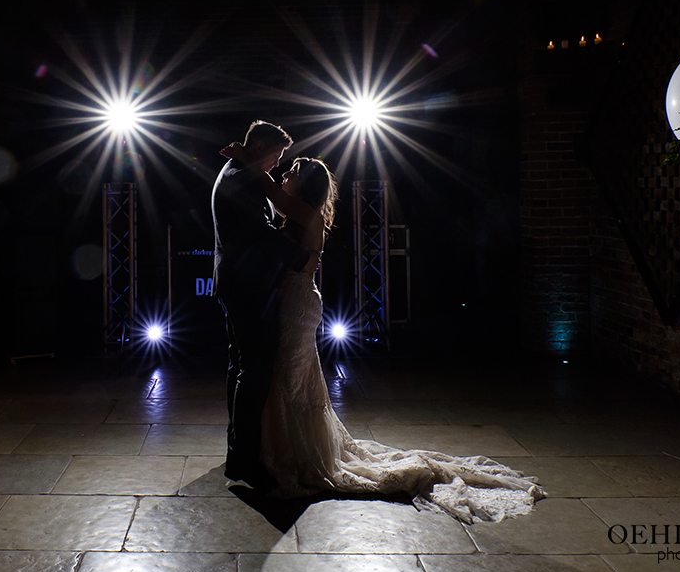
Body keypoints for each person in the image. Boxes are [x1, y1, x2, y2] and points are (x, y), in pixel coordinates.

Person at [219, 142, 545, 524]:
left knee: (289, 378)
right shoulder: (296, 214)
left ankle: (293, 454)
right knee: (288, 379)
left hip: (297, 305)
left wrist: (248, 161)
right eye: (283, 171)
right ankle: (277, 449)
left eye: (290, 172)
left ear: (305, 186)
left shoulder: (303, 212)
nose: (282, 175)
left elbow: (272, 194)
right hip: (289, 301)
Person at [211, 120, 319, 491]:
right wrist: (300, 256)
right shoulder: (243, 178)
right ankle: (243, 460)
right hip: (247, 287)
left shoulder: (238, 171)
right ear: (258, 147)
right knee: (253, 372)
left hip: (237, 284)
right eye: (275, 156)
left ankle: (238, 451)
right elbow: (261, 235)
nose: (276, 164)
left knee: (240, 367)